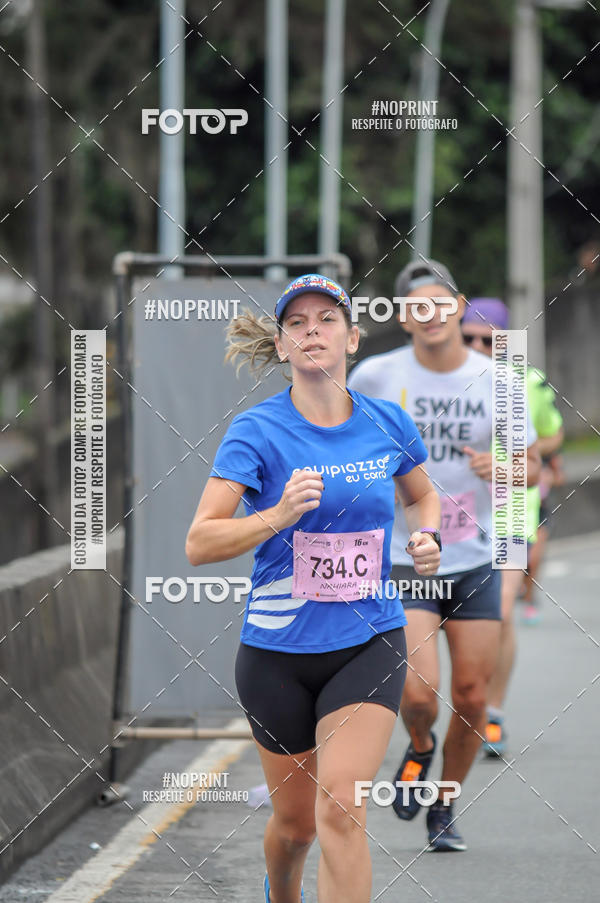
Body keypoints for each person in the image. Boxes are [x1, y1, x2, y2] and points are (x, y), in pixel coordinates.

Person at [185, 273, 441, 903]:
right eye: (296, 323)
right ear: (281, 346)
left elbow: (424, 494)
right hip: (277, 654)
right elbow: (199, 542)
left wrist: (426, 538)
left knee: (341, 812)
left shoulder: (387, 422)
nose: (311, 331)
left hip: (369, 640)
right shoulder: (257, 431)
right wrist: (278, 514)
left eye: (326, 319)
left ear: (352, 337)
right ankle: (282, 892)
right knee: (296, 826)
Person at [347, 260, 541, 851]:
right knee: (417, 693)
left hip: (476, 554)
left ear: (458, 308)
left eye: (439, 304)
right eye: (415, 307)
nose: (429, 316)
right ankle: (421, 745)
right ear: (404, 318)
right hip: (407, 557)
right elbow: (339, 442)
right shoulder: (375, 376)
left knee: (474, 695)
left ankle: (445, 806)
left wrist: (503, 467)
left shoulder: (498, 380)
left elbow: (533, 468)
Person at [461, 298, 563, 752]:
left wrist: (521, 455)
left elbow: (553, 432)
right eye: (469, 338)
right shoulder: (444, 381)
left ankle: (493, 710)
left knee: (501, 609)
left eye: (489, 339)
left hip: (511, 510)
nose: (479, 346)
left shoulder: (525, 383)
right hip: (454, 517)